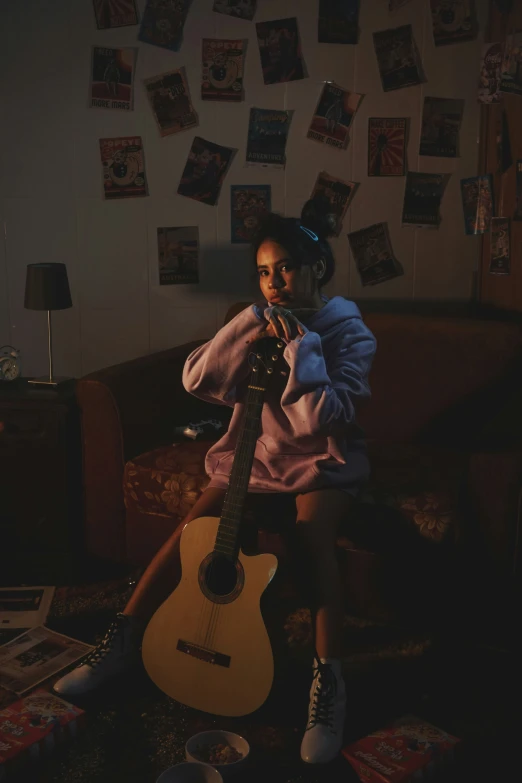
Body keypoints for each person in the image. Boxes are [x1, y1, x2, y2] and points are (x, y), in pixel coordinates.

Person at [53, 199, 377, 765]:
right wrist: (250, 321)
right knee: (194, 528)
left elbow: (325, 419)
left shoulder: (351, 333)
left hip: (323, 459)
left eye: (287, 268)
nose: (275, 283)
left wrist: (303, 345)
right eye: (264, 271)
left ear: (318, 266)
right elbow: (198, 378)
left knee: (312, 537)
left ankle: (329, 685)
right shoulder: (261, 319)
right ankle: (123, 641)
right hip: (256, 454)